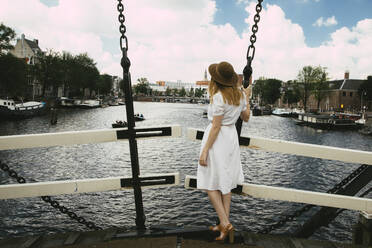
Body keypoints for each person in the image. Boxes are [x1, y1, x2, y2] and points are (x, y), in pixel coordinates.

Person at [197, 61, 251, 243]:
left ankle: (225, 223)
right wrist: (247, 96)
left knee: (209, 183)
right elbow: (246, 117)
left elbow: (215, 126)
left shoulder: (219, 96)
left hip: (218, 140)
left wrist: (205, 150)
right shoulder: (239, 95)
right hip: (231, 138)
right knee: (225, 182)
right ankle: (224, 226)